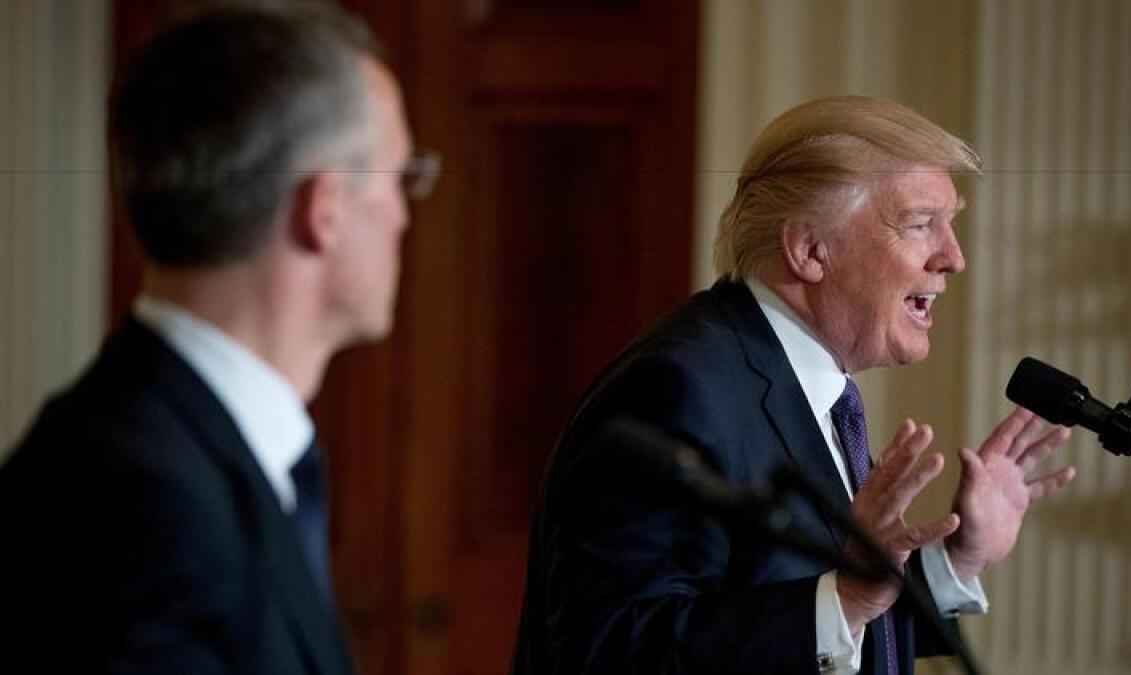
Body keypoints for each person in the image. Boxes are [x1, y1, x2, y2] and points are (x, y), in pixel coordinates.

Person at [511, 96, 1076, 675]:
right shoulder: (679, 387)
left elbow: (817, 633)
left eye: (949, 224)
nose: (953, 257)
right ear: (809, 249)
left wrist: (955, 561)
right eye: (920, 224)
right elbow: (608, 653)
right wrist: (846, 598)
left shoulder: (802, 380)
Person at [0, 3, 436, 673]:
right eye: (402, 177)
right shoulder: (145, 504)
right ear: (325, 208)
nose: (406, 216)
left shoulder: (160, 447)